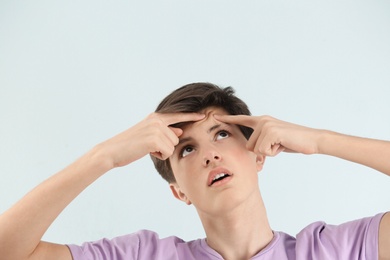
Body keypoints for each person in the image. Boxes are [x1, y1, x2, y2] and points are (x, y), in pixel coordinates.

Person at [0, 82, 389, 260]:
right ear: (178, 191)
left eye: (221, 133)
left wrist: (321, 140)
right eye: (187, 149)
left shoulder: (335, 250)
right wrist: (104, 156)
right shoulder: (143, 256)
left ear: (258, 154)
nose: (209, 155)